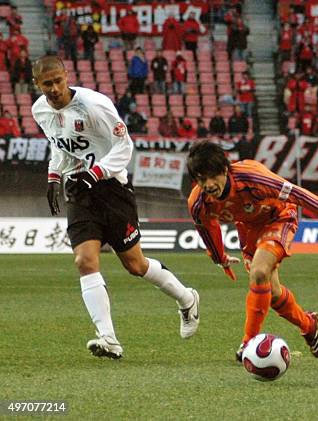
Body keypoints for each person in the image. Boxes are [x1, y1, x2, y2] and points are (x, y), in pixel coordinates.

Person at [31, 55, 200, 359]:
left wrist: (95, 174)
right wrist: (53, 177)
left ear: (67, 76)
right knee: (84, 260)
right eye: (47, 84)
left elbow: (125, 146)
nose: (54, 88)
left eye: (58, 81)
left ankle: (187, 299)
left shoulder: (95, 105)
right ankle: (108, 338)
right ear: (37, 85)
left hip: (111, 188)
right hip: (79, 192)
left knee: (135, 265)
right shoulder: (39, 109)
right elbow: (60, 146)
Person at [186, 141, 318, 361]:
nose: (207, 184)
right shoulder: (198, 203)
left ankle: (249, 343)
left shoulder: (252, 178)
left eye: (211, 176)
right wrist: (220, 258)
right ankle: (308, 324)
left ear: (224, 169)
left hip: (280, 218)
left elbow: (301, 196)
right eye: (201, 179)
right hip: (249, 230)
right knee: (271, 293)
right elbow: (209, 229)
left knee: (259, 272)